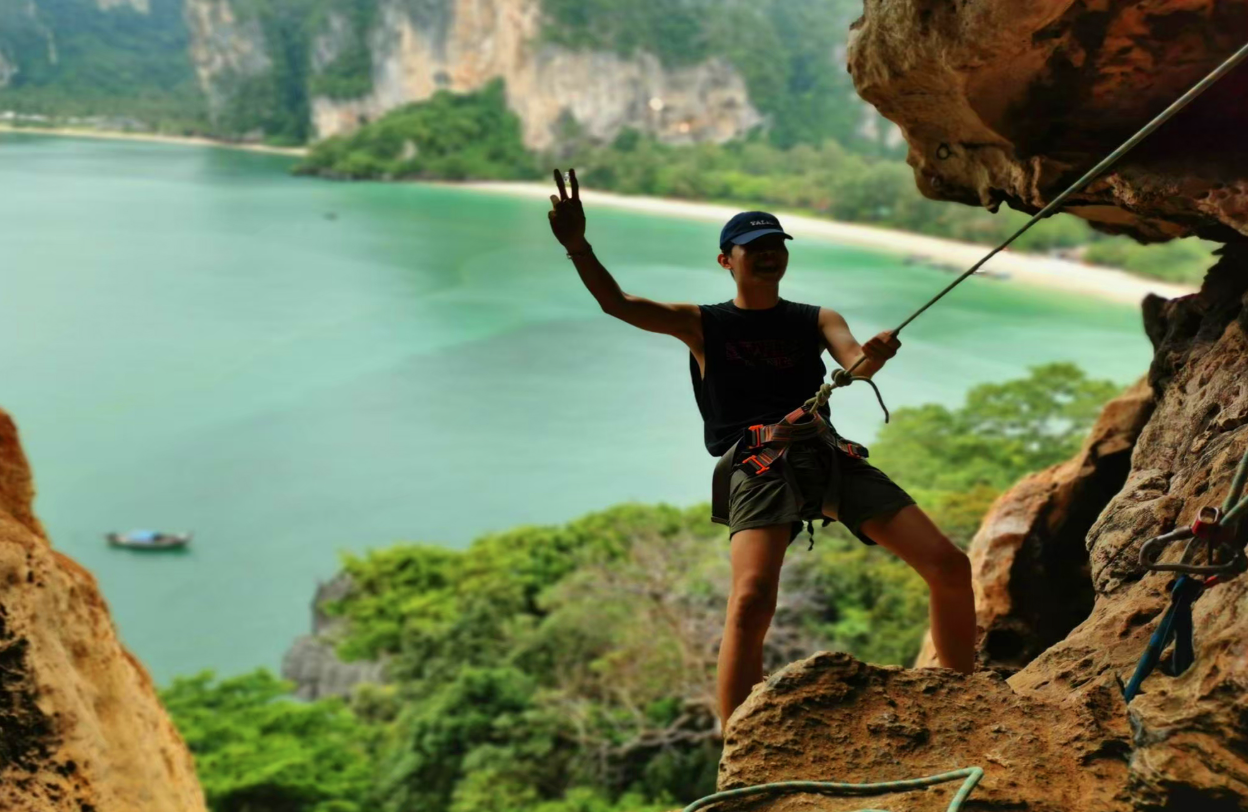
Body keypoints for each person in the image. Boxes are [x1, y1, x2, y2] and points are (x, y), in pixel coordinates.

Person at [546, 168, 976, 728]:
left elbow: (854, 362)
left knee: (949, 565)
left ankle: (966, 697)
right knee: (749, 603)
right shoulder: (702, 324)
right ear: (726, 260)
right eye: (754, 248)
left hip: (823, 454)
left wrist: (876, 355)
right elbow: (619, 304)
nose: (768, 255)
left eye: (775, 246)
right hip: (757, 464)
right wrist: (579, 246)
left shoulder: (815, 318)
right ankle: (738, 745)